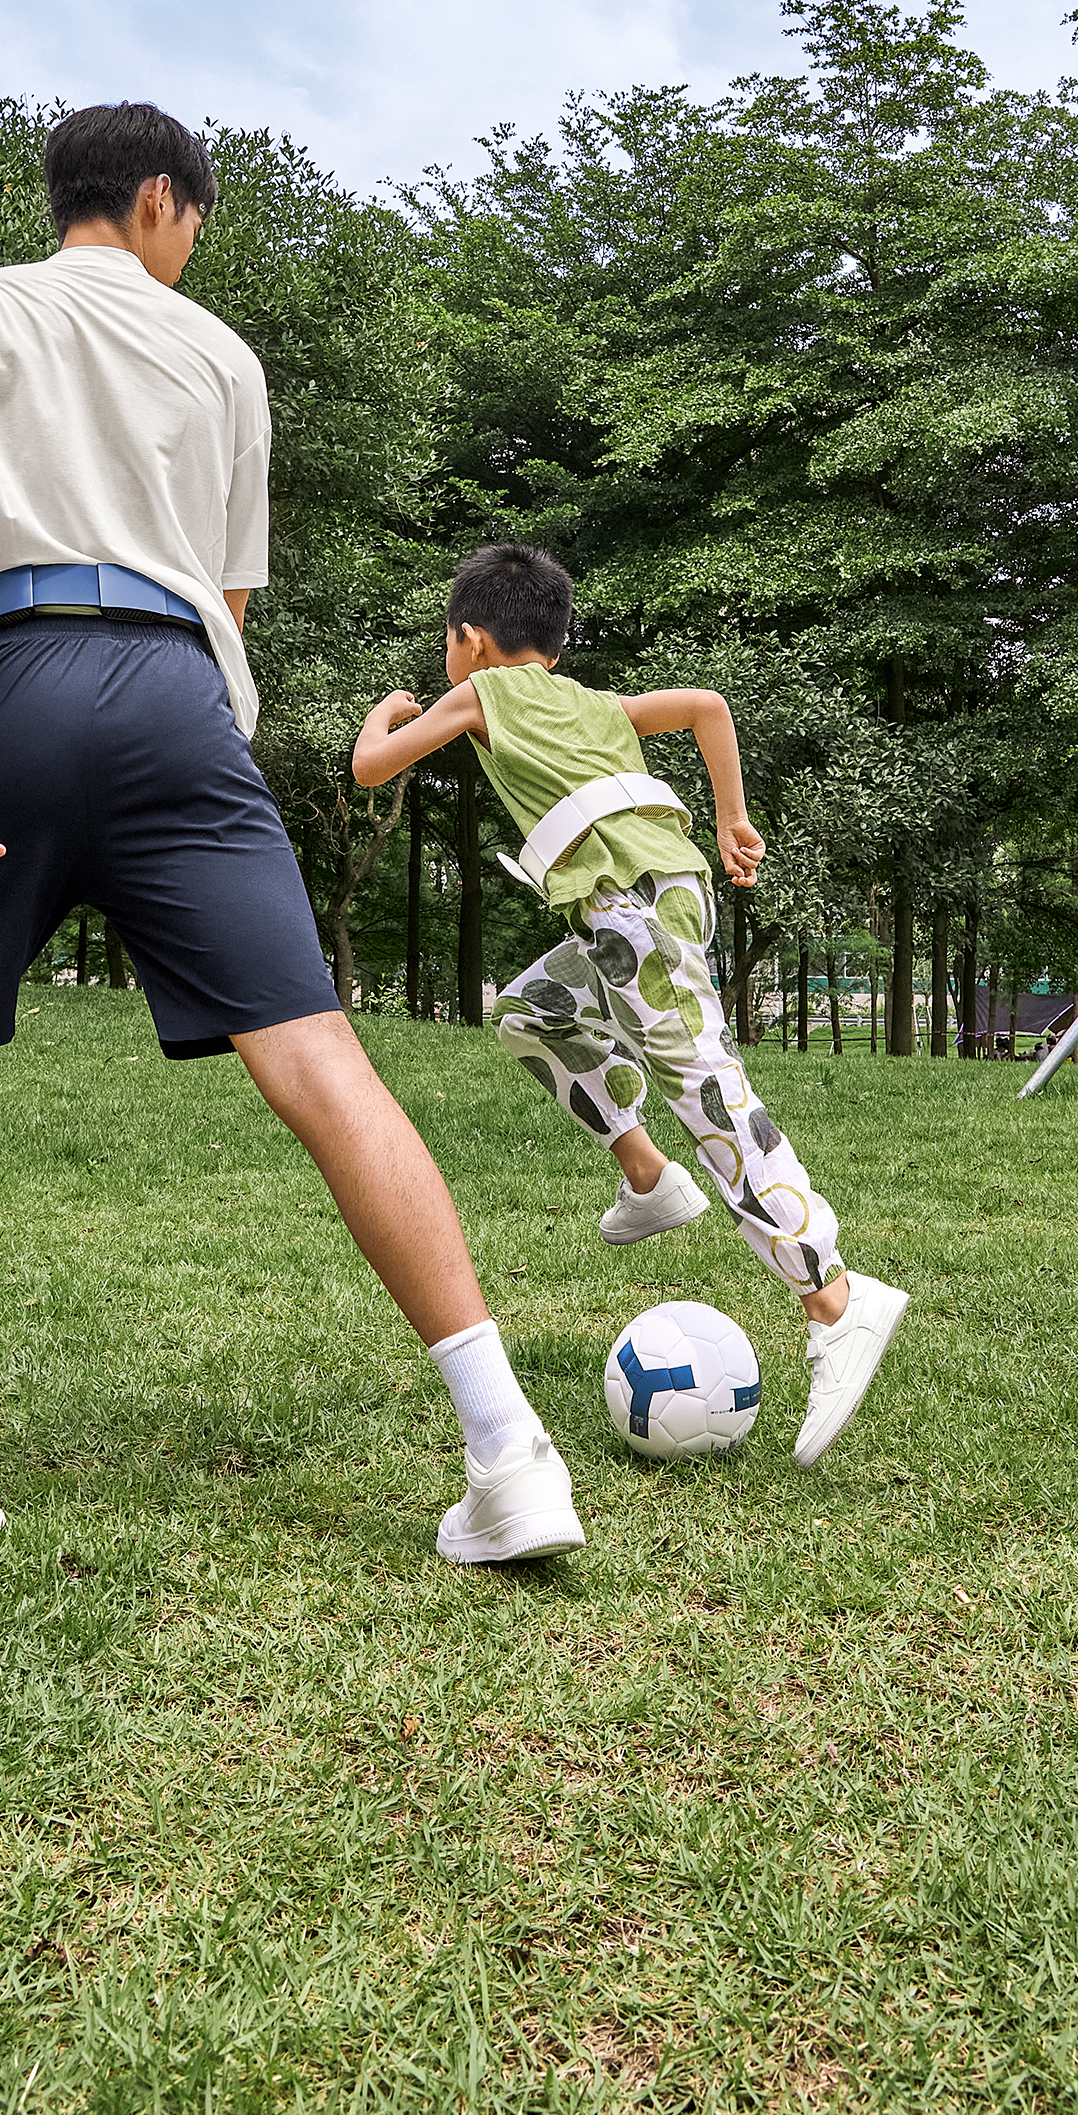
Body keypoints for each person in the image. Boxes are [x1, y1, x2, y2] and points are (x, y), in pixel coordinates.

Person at [0, 104, 583, 1565]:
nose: (196, 243)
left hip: (10, 676)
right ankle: (511, 1455)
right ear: (156, 201)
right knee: (322, 1056)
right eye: (197, 218)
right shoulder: (224, 357)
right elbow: (228, 598)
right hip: (180, 699)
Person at [352, 542, 908, 1467]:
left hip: (630, 910)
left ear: (471, 640)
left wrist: (389, 710)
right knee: (534, 1014)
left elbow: (375, 767)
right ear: (555, 650)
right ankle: (648, 1177)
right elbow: (706, 708)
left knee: (708, 1088)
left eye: (449, 644)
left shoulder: (479, 693)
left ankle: (836, 1298)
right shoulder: (593, 704)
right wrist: (732, 816)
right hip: (651, 903)